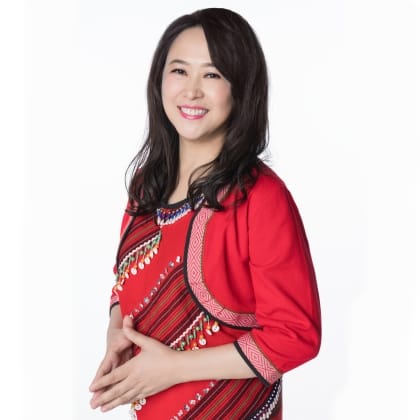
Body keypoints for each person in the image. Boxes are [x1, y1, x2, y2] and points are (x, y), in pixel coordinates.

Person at [89, 8, 321, 419]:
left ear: (241, 88)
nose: (192, 91)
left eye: (212, 75)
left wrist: (174, 369)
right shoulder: (146, 185)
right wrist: (116, 332)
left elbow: (296, 335)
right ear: (159, 80)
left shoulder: (261, 197)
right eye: (179, 71)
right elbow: (124, 281)